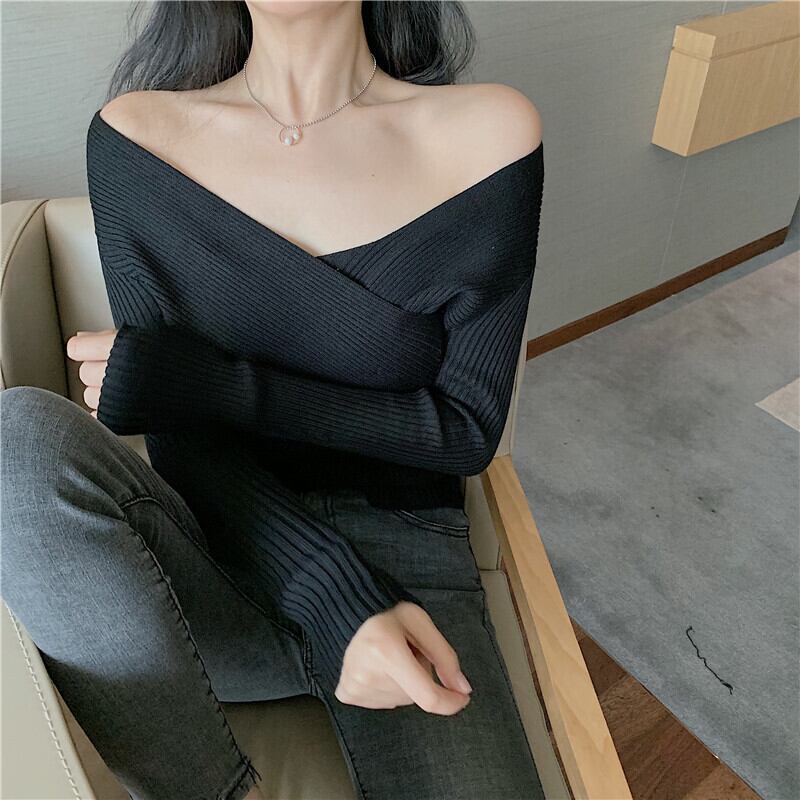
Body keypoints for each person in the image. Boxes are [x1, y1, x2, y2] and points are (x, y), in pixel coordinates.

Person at [1, 2, 545, 798]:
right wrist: (334, 596)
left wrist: (215, 384)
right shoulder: (138, 138)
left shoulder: (489, 134)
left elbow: (465, 428)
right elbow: (183, 440)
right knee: (15, 439)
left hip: (410, 566)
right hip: (213, 559)